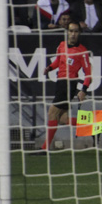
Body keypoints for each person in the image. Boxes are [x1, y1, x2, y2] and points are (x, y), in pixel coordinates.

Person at [39, 22, 92, 151]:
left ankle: (44, 149)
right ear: (67, 32)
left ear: (79, 33)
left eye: (76, 31)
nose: (73, 34)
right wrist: (50, 68)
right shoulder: (61, 46)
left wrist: (83, 90)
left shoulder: (82, 51)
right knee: (63, 119)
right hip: (60, 83)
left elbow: (88, 74)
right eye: (71, 31)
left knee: (52, 112)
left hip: (69, 84)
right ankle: (93, 125)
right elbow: (58, 61)